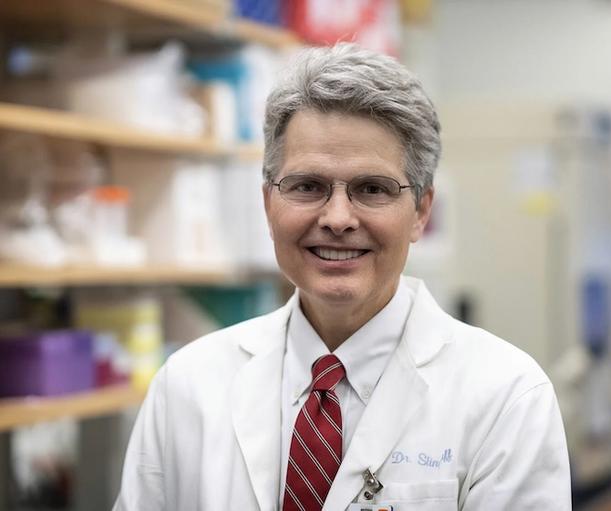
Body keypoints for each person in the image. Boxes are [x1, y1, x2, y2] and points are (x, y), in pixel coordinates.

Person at [114, 43, 571, 511]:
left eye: (372, 189)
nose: (337, 218)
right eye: (307, 186)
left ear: (421, 211)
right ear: (269, 205)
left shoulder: (506, 397)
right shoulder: (187, 386)